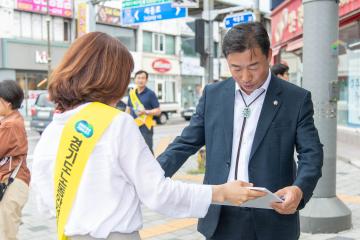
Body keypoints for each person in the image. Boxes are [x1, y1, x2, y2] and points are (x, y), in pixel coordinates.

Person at [31, 32, 266, 240]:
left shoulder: (55, 128)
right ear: (111, 78)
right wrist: (222, 192)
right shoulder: (114, 123)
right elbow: (159, 194)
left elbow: (45, 204)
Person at [158, 22, 323, 240]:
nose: (245, 77)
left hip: (272, 215)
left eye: (254, 66)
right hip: (221, 212)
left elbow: (311, 153)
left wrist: (299, 189)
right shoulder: (213, 95)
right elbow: (186, 143)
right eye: (236, 68)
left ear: (269, 56)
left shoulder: (296, 99)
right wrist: (152, 175)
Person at [0, 80, 30, 240]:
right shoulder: (14, 120)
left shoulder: (10, 125)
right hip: (14, 183)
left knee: (6, 235)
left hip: (12, 184)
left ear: (6, 102)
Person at [127, 70, 160, 152]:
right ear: (135, 80)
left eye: (143, 78)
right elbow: (128, 109)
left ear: (146, 80)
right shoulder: (132, 93)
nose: (140, 80)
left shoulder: (150, 94)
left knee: (147, 150)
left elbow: (158, 111)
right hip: (133, 126)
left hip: (146, 127)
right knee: (134, 150)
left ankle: (152, 165)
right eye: (138, 78)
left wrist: (145, 112)